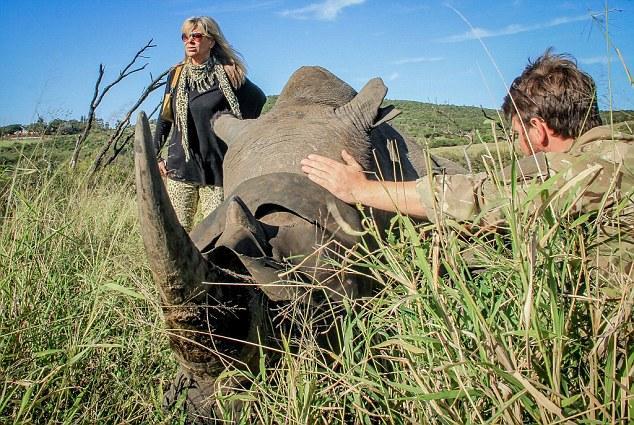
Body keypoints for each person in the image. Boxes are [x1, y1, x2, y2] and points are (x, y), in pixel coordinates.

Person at [301, 50, 633, 277]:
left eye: (518, 134)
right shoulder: (616, 153)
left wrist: (361, 189)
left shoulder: (597, 169)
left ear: (540, 130)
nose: (519, 146)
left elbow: (487, 199)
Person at [154, 16, 266, 232]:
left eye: (196, 36)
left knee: (217, 234)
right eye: (185, 37)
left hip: (217, 170)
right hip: (181, 167)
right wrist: (156, 155)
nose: (190, 41)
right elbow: (165, 117)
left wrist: (238, 135)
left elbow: (258, 99)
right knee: (178, 234)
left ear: (211, 41)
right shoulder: (176, 75)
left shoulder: (229, 74)